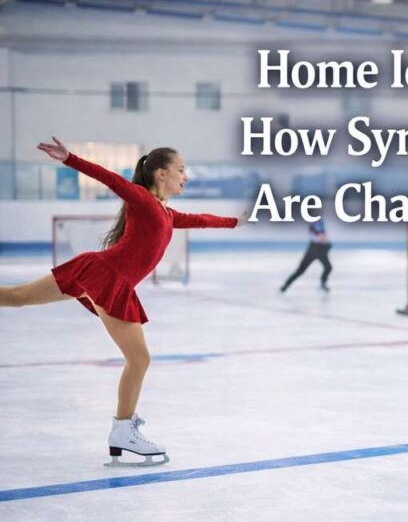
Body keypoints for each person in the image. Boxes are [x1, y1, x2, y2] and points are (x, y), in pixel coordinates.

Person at [0, 137, 241, 467]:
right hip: (106, 277)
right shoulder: (141, 199)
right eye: (181, 170)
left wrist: (236, 222)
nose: (186, 176)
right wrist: (71, 159)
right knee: (139, 359)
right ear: (160, 173)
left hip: (96, 270)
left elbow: (200, 219)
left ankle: (123, 428)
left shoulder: (167, 214)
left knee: (17, 297)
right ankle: (123, 430)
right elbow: (109, 178)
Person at [280, 220, 333, 293]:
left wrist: (326, 243)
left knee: (328, 267)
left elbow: (327, 245)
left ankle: (322, 283)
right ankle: (286, 285)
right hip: (312, 253)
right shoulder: (314, 236)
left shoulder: (322, 236)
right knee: (300, 271)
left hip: (320, 252)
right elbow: (318, 239)